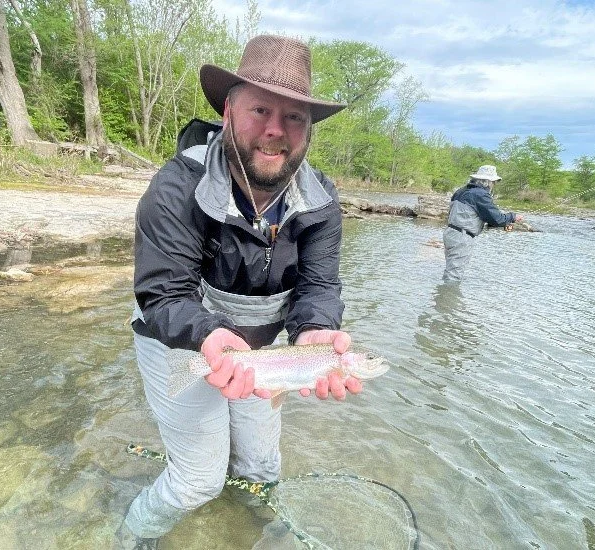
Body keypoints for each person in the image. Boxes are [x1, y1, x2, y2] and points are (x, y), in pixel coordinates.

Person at [120, 34, 363, 547]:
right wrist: (209, 337)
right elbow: (164, 294)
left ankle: (247, 530)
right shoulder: (177, 187)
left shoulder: (321, 200)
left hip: (262, 351)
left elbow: (319, 285)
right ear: (228, 112)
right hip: (177, 336)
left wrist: (317, 331)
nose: (275, 130)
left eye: (294, 117)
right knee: (197, 481)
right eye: (260, 110)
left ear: (309, 130)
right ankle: (129, 537)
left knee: (261, 466)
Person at [442, 165, 523, 282]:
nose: (494, 185)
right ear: (488, 182)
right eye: (494, 182)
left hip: (450, 233)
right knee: (454, 275)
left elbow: (468, 213)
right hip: (462, 237)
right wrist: (513, 216)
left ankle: (443, 292)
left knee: (450, 270)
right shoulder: (481, 194)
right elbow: (497, 218)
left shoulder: (461, 191)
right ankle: (449, 293)